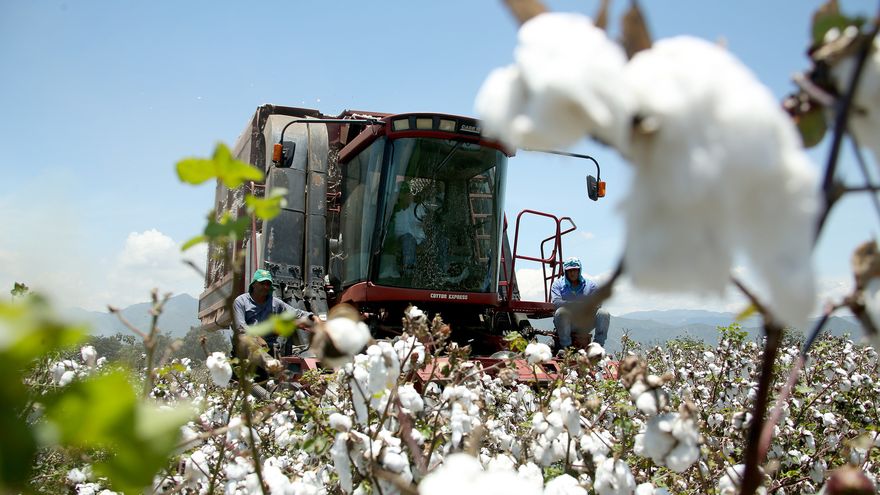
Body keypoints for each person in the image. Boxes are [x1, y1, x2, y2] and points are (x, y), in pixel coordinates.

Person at [232, 269, 314, 356]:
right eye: (262, 283)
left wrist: (313, 317)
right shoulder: (241, 301)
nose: (265, 287)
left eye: (268, 284)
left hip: (269, 346)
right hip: (248, 347)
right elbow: (241, 328)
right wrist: (257, 338)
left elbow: (295, 313)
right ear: (253, 284)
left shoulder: (276, 303)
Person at [550, 257, 610, 349]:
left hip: (585, 322)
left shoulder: (590, 285)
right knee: (561, 311)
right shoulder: (557, 284)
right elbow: (557, 302)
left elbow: (598, 303)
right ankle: (566, 348)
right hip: (566, 322)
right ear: (565, 271)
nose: (572, 273)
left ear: (579, 270)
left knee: (603, 313)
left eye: (575, 270)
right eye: (569, 270)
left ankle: (597, 347)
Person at [391, 183, 427, 272]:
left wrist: (426, 223)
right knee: (409, 239)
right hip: (402, 239)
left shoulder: (418, 207)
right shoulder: (394, 210)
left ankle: (442, 272)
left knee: (441, 240)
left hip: (420, 239)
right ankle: (409, 271)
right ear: (400, 195)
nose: (409, 195)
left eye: (410, 193)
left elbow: (426, 221)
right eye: (405, 193)